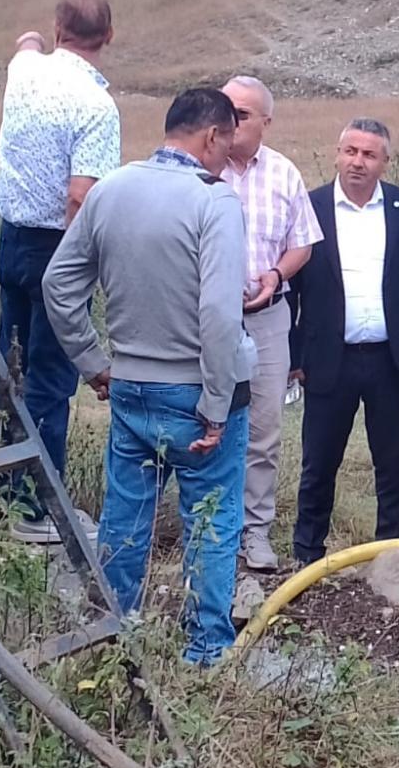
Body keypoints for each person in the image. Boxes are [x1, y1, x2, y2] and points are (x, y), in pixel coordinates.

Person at [43, 88, 255, 667]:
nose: (227, 158)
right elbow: (217, 312)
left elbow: (58, 285)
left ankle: (114, 634)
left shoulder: (110, 190)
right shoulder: (214, 202)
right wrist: (215, 401)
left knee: (126, 516)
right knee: (211, 519)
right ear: (211, 135)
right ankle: (207, 648)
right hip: (197, 390)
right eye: (227, 144)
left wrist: (93, 361)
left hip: (130, 385)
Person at [0, 0, 120, 542]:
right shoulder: (97, 106)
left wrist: (32, 41)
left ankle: (6, 488)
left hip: (11, 237)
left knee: (13, 367)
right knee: (49, 375)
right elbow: (80, 195)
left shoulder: (25, 72)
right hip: (56, 244)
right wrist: (78, 263)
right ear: (108, 38)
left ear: (58, 26)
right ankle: (35, 507)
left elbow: (24, 45)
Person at [288, 118, 399, 564]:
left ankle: (392, 554)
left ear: (384, 162)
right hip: (327, 360)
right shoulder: (310, 204)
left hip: (390, 360)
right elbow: (293, 288)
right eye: (350, 151)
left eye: (369, 154)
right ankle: (307, 554)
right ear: (337, 154)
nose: (358, 161)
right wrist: (295, 357)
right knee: (319, 465)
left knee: (392, 465)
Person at [220, 76, 322, 572]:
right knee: (201, 418)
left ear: (265, 121)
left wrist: (278, 272)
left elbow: (303, 241)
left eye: (242, 113)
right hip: (203, 321)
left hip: (267, 318)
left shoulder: (283, 173)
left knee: (263, 427)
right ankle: (208, 526)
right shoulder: (199, 168)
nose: (231, 120)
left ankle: (254, 531)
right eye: (225, 110)